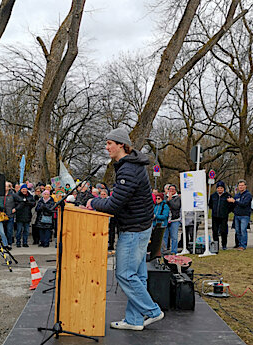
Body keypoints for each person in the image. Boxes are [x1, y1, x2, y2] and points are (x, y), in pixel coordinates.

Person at [87, 127, 163, 331]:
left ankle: (153, 311)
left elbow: (114, 204)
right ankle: (134, 320)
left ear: (121, 144)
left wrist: (93, 203)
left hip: (134, 230)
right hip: (139, 226)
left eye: (110, 143)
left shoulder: (128, 169)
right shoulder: (130, 165)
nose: (107, 147)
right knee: (137, 277)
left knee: (125, 274)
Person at [227, 179, 252, 251]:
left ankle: (243, 245)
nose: (241, 187)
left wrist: (234, 201)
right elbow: (234, 204)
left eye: (242, 185)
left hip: (244, 215)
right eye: (239, 185)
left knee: (243, 230)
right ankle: (239, 244)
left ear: (245, 186)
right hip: (237, 215)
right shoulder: (237, 195)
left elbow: (244, 204)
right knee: (237, 231)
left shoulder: (248, 195)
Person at [209, 181, 233, 250]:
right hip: (215, 216)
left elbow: (231, 205)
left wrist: (226, 212)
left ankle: (224, 245)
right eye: (218, 188)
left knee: (223, 231)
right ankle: (216, 245)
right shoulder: (213, 196)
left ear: (223, 189)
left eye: (221, 188)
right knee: (215, 231)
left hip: (223, 217)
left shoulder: (227, 196)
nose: (220, 189)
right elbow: (210, 204)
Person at [0, 182, 18, 247]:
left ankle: (9, 243)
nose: (5, 188)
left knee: (9, 230)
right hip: (2, 215)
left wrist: (15, 208)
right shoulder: (0, 194)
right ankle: (4, 243)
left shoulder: (13, 194)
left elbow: (19, 203)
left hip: (10, 215)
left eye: (7, 186)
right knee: (2, 231)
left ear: (9, 187)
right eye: (4, 186)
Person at [164, 184, 181, 255]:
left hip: (174, 220)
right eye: (170, 189)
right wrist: (167, 199)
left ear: (175, 190)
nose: (171, 191)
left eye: (172, 190)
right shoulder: (165, 197)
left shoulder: (178, 198)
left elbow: (176, 206)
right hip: (166, 219)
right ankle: (164, 251)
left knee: (174, 236)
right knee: (164, 236)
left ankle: (174, 251)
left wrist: (170, 200)